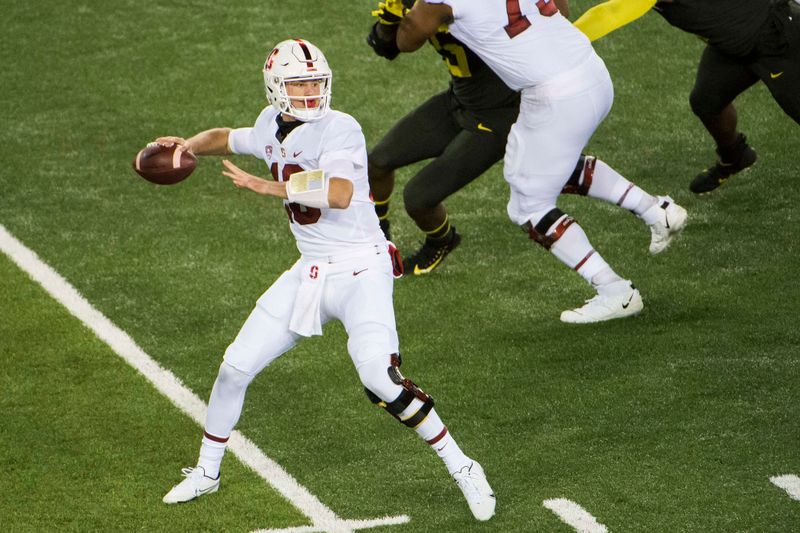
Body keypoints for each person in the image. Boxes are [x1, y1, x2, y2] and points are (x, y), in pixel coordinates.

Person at [156, 38, 496, 521]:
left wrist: (265, 185)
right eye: (299, 84)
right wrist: (186, 145)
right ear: (277, 89)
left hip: (361, 268)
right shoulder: (269, 124)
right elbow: (229, 137)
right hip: (311, 270)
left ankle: (462, 466)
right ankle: (207, 472)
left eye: (316, 82)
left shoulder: (340, 128)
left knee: (379, 378)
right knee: (234, 367)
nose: (311, 93)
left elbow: (337, 193)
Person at [392, 0, 688, 323]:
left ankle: (615, 291)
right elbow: (561, 8)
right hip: (589, 70)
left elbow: (409, 38)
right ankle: (658, 211)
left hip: (554, 93)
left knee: (528, 205)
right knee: (553, 167)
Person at [574, 0, 800, 194]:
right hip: (733, 44)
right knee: (706, 102)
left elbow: (610, 14)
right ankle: (735, 155)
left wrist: (560, 39)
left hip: (777, 38)